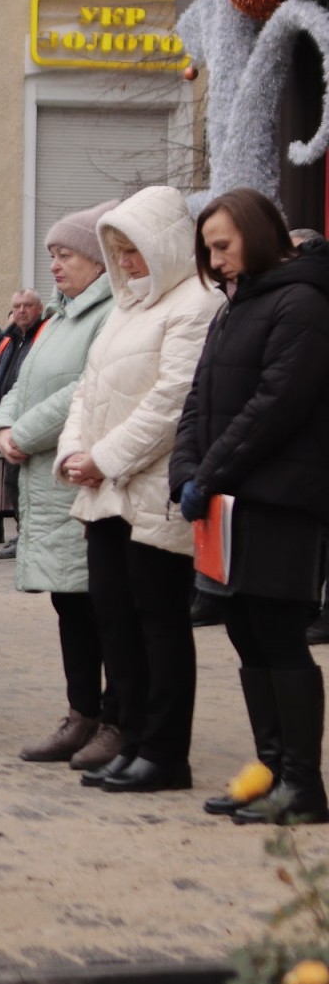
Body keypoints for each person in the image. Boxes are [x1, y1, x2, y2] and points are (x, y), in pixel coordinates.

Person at [55, 187, 220, 793]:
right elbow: (86, 389)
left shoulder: (195, 304)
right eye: (117, 251)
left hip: (151, 490)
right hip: (104, 491)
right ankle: (132, 736)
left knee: (159, 623)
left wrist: (104, 458)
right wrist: (76, 452)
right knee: (114, 620)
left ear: (168, 243)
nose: (125, 263)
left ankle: (165, 750)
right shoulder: (127, 308)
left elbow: (173, 403)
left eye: (135, 250)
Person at [172, 192, 329, 824]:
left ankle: (303, 784)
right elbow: (198, 396)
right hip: (230, 503)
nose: (215, 260)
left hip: (280, 503)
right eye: (208, 249)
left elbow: (274, 407)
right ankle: (270, 769)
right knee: (245, 635)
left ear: (258, 237)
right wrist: (186, 469)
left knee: (279, 637)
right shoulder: (233, 308)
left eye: (223, 246)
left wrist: (207, 475)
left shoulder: (303, 304)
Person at [0, 203, 118, 764]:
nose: (55, 265)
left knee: (101, 608)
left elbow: (85, 388)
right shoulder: (59, 317)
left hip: (79, 478)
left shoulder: (110, 313)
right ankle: (80, 713)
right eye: (52, 256)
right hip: (47, 478)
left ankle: (115, 719)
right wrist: (1, 429)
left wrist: (27, 434)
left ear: (96, 257)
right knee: (69, 604)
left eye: (64, 254)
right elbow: (20, 385)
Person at [0, 290, 47, 551]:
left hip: (29, 423)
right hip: (6, 422)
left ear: (39, 309)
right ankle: (23, 533)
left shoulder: (43, 338)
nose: (21, 311)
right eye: (17, 306)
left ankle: (29, 536)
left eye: (27, 305)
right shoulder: (8, 341)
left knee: (24, 482)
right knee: (12, 482)